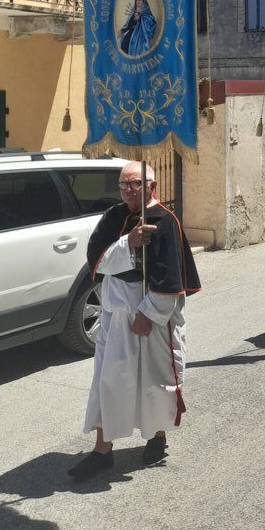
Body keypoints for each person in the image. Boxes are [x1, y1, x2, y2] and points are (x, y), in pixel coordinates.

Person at [68, 162, 201, 482]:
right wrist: (128, 243)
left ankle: (157, 436)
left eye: (135, 184)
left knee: (154, 380)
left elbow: (170, 277)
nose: (128, 190)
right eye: (123, 185)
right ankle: (102, 450)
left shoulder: (165, 221)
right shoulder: (113, 217)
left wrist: (148, 314)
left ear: (151, 186)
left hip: (150, 316)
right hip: (115, 314)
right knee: (108, 380)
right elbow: (96, 259)